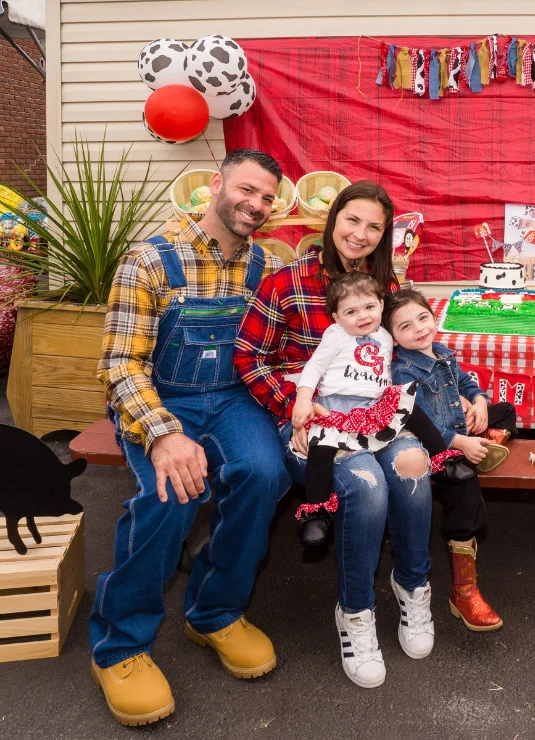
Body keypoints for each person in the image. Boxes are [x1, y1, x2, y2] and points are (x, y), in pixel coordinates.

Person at [90, 149, 292, 726]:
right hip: (160, 397)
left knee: (265, 473)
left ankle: (214, 612)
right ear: (216, 185)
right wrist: (162, 436)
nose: (255, 205)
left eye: (266, 199)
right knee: (172, 488)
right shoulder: (149, 261)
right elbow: (120, 364)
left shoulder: (263, 268)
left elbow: (271, 349)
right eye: (246, 190)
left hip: (230, 397)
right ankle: (120, 644)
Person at [234, 181, 436, 689]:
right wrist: (297, 410)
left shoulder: (383, 290)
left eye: (374, 227)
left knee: (414, 466)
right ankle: (356, 612)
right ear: (333, 218)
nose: (361, 234)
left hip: (377, 414)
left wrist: (462, 393)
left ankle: (413, 585)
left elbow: (407, 354)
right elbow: (248, 359)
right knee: (365, 483)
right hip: (309, 421)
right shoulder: (285, 282)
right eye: (353, 220)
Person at [292, 271, 472, 546]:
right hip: (338, 407)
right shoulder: (336, 335)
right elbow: (314, 367)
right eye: (351, 311)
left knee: (409, 404)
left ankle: (444, 461)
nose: (363, 316)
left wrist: (461, 393)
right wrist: (304, 398)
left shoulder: (387, 335)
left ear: (380, 305)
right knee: (322, 446)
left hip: (374, 406)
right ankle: (317, 512)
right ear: (337, 317)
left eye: (370, 307)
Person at [383, 287, 517, 632]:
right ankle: (464, 590)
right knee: (463, 487)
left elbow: (465, 381)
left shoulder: (441, 352)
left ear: (433, 316)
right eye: (405, 326)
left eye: (423, 318)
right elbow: (420, 420)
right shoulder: (403, 371)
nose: (419, 329)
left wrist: (479, 404)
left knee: (507, 410)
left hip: (461, 427)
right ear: (394, 338)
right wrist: (459, 441)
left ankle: (485, 444)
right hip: (434, 445)